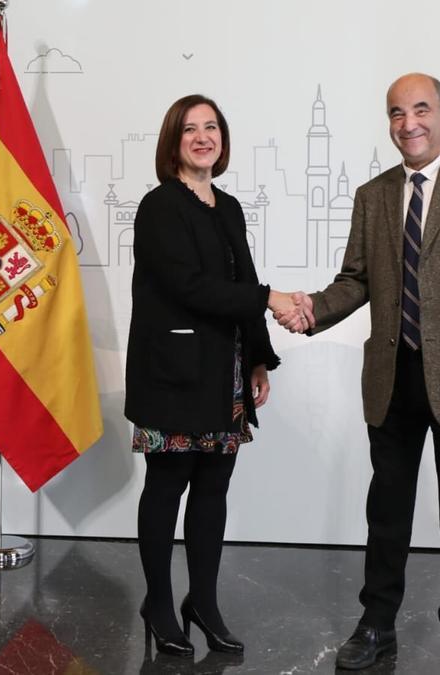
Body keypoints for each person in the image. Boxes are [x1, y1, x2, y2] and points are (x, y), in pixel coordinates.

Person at [277, 73, 440, 675]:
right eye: (396, 112)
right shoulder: (373, 195)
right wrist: (312, 309)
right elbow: (356, 280)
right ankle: (376, 624)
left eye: (419, 109)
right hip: (391, 377)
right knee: (387, 512)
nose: (408, 123)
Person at [126, 94, 298, 657]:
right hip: (173, 376)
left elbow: (242, 281)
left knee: (213, 491)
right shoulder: (159, 207)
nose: (204, 137)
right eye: (191, 129)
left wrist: (258, 357)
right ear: (173, 141)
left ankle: (202, 602)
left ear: (222, 138)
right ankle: (158, 602)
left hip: (222, 376)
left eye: (212, 127)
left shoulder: (228, 208)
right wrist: (271, 297)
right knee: (167, 485)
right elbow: (190, 289)